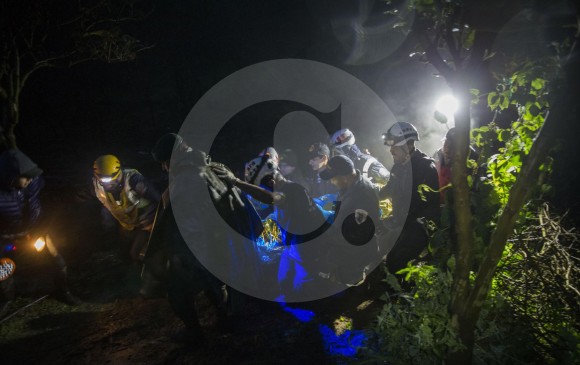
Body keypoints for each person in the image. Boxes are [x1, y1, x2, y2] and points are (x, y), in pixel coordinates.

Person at [148, 133, 232, 344]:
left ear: (171, 160)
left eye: (164, 163)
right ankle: (225, 320)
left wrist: (178, 253)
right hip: (219, 241)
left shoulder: (183, 183)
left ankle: (195, 334)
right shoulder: (209, 167)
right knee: (215, 284)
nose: (163, 169)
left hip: (197, 247)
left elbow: (185, 224)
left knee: (177, 293)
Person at [215, 147, 330, 301]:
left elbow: (270, 198)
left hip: (306, 247)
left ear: (271, 181)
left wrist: (236, 182)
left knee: (304, 290)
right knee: (284, 283)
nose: (262, 189)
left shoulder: (293, 191)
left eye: (262, 186)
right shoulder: (287, 188)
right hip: (291, 245)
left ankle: (317, 309)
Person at [0, 149, 80, 318]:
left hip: (34, 230)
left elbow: (52, 194)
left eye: (31, 176)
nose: (30, 179)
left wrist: (41, 229)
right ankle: (6, 299)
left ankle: (62, 291)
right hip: (5, 236)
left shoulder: (34, 181)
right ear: (10, 176)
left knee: (56, 260)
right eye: (25, 177)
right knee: (3, 271)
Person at [379, 122, 440, 273]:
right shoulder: (398, 167)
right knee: (376, 248)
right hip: (402, 222)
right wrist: (369, 196)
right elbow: (389, 189)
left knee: (395, 261)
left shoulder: (425, 168)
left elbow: (420, 206)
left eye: (394, 146)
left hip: (419, 227)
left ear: (408, 145)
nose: (391, 150)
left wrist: (395, 223)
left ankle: (399, 294)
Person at [318, 155, 381, 286]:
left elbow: (352, 236)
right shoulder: (350, 186)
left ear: (344, 177)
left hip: (354, 255)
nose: (331, 182)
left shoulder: (360, 197)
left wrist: (322, 236)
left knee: (347, 289)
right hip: (347, 248)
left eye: (333, 178)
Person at [92, 155, 160, 267]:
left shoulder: (133, 180)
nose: (106, 184)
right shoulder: (96, 184)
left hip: (147, 224)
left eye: (109, 179)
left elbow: (158, 199)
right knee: (124, 252)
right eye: (102, 180)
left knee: (138, 253)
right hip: (127, 225)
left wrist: (154, 221)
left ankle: (152, 274)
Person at [433, 127, 480, 204]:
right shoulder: (438, 156)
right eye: (446, 145)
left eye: (452, 147)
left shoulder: (471, 159)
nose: (447, 150)